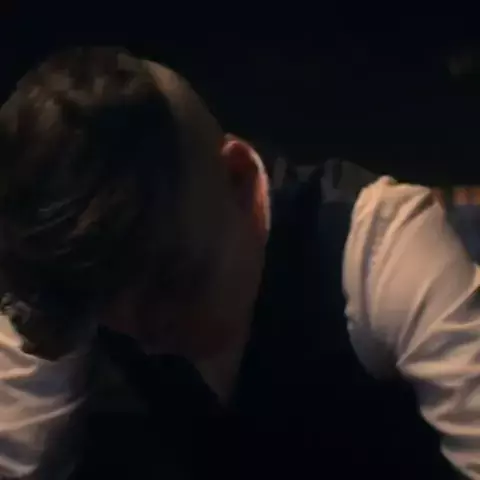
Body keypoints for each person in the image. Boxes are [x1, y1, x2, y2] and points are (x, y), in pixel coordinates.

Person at [0, 47, 478, 479]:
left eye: (173, 282)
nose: (146, 337)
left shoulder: (379, 245)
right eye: (108, 303)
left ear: (238, 175)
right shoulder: (69, 284)